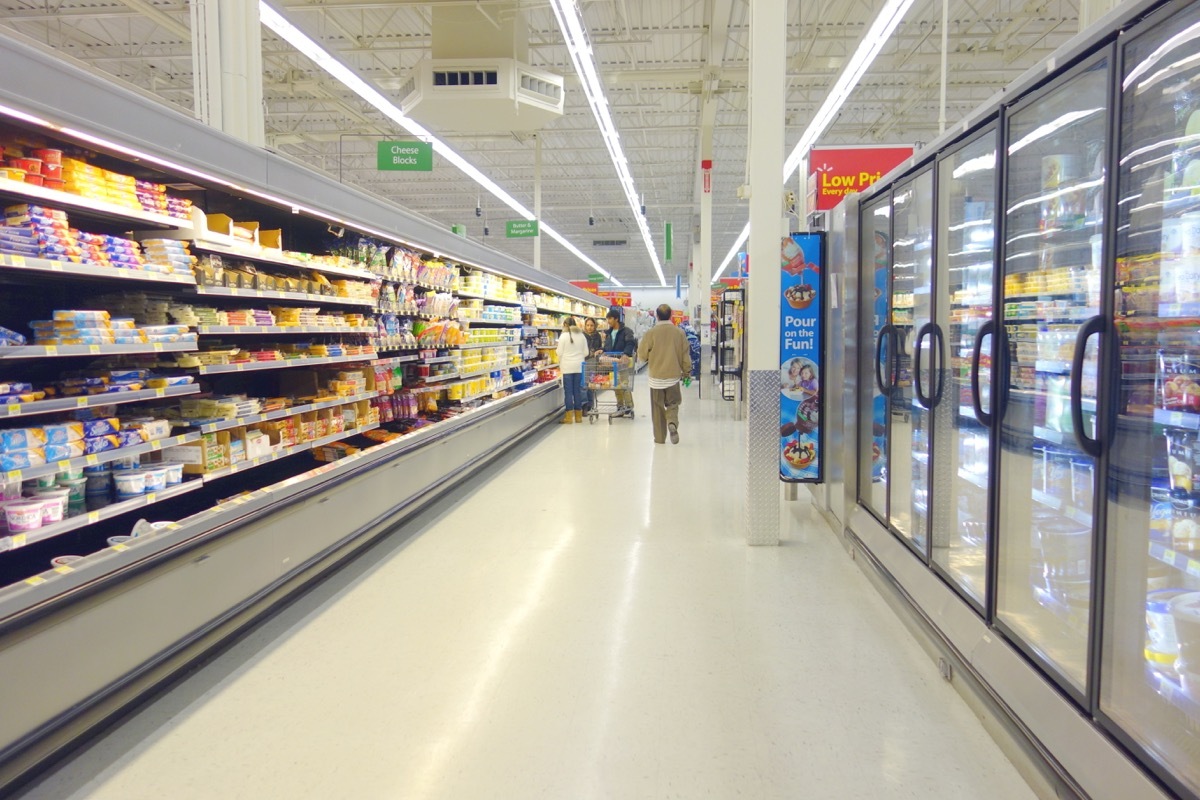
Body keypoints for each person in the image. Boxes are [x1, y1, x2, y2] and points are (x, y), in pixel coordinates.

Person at [637, 304, 692, 444]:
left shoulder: (650, 333)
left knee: (657, 408)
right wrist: (687, 372)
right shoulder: (679, 333)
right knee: (673, 403)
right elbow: (685, 356)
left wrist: (650, 356)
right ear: (671, 315)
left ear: (656, 316)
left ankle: (660, 438)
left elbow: (642, 355)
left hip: (656, 377)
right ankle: (672, 422)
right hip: (673, 376)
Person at [555, 316, 589, 423]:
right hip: (579, 367)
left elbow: (559, 352)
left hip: (567, 367)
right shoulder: (582, 336)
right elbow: (586, 353)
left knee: (568, 392)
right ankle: (578, 417)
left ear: (565, 325)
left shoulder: (563, 336)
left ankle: (569, 417)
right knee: (577, 391)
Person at [603, 309, 637, 411]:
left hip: (623, 362)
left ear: (616, 319)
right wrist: (601, 350)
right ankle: (620, 405)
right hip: (612, 363)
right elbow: (607, 347)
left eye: (610, 318)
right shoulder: (608, 333)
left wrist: (626, 353)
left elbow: (630, 343)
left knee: (624, 385)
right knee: (616, 385)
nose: (608, 321)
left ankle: (629, 406)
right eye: (607, 319)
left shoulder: (626, 331)